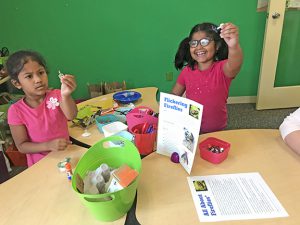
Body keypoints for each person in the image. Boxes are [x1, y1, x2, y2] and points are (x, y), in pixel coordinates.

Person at [6, 50, 78, 166]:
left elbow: (72, 115)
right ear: (17, 83)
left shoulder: (57, 95)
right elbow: (22, 146)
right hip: (41, 164)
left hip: (66, 156)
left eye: (41, 72)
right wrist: (48, 145)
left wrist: (66, 95)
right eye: (29, 76)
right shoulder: (16, 111)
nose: (38, 79)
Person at [171, 22, 243, 133]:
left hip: (217, 130)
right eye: (194, 43)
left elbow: (235, 64)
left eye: (205, 42)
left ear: (217, 46)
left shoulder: (222, 69)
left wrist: (233, 46)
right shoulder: (187, 71)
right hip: (191, 128)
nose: (199, 47)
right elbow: (175, 94)